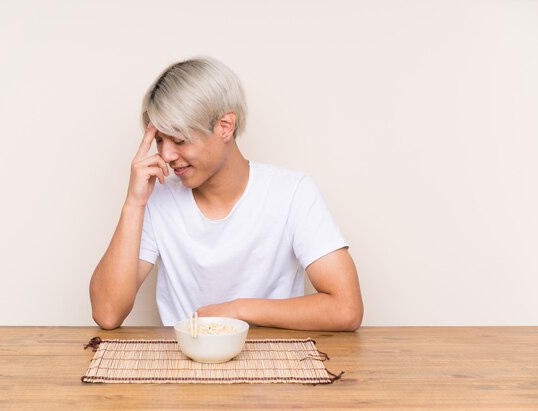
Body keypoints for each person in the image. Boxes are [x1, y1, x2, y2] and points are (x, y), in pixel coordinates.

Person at [89, 57, 363, 331]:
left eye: (179, 139)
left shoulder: (292, 193)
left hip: (276, 363)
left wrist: (237, 309)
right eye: (160, 140)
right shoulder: (157, 200)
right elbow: (107, 313)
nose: (166, 155)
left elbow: (346, 308)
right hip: (184, 366)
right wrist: (134, 203)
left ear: (225, 127)